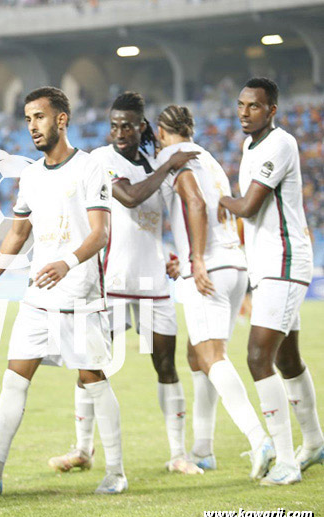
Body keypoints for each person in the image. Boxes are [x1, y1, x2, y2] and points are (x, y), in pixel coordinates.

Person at [0, 86, 126, 495]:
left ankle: (115, 472)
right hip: (37, 297)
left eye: (40, 117)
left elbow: (100, 234)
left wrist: (67, 262)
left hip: (78, 294)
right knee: (14, 378)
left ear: (61, 119)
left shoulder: (90, 168)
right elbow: (18, 233)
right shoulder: (29, 174)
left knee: (93, 378)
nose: (32, 126)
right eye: (28, 119)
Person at [48, 92, 202, 476]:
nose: (120, 131)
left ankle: (178, 454)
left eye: (128, 125)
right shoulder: (101, 160)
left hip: (154, 283)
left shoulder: (153, 164)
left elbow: (158, 220)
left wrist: (174, 254)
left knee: (166, 365)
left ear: (142, 127)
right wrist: (170, 167)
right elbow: (131, 199)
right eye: (115, 124)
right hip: (112, 282)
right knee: (92, 366)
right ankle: (83, 449)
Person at [157, 104, 276, 479]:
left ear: (162, 132)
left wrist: (195, 259)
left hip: (209, 268)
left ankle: (260, 439)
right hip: (234, 265)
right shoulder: (207, 156)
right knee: (197, 356)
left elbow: (193, 203)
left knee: (212, 355)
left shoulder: (172, 156)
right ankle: (203, 449)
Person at [219, 77, 324, 485]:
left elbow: (247, 206)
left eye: (255, 106)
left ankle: (285, 461)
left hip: (285, 262)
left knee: (257, 357)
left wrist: (218, 199)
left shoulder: (281, 144)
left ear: (272, 110)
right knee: (287, 359)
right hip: (267, 265)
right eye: (242, 105)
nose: (245, 112)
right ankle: (313, 443)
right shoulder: (249, 146)